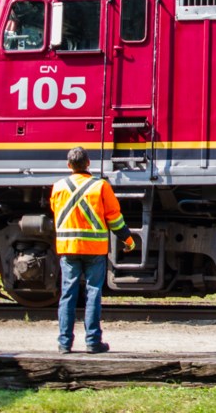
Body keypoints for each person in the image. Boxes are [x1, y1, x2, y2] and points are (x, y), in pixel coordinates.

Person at [50, 146, 135, 354]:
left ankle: (64, 343)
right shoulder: (100, 186)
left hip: (68, 248)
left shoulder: (58, 186)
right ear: (88, 163)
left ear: (69, 166)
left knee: (67, 294)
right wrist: (128, 239)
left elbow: (55, 209)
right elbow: (114, 217)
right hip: (94, 249)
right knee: (93, 294)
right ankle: (93, 342)